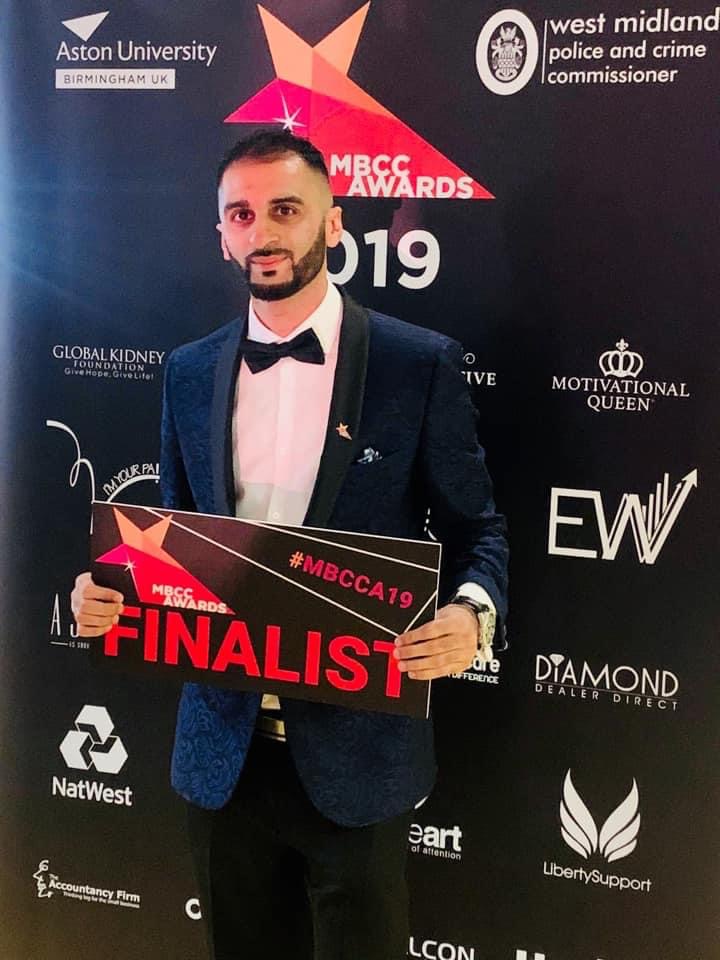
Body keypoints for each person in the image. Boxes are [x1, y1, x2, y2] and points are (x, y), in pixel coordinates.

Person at [72, 130, 508, 960]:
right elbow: (176, 537)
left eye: (285, 209)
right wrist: (110, 590)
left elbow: (476, 529)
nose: (263, 232)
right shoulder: (188, 370)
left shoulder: (418, 365)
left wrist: (472, 614)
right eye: (241, 214)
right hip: (222, 754)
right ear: (221, 235)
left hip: (359, 754)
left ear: (333, 224)